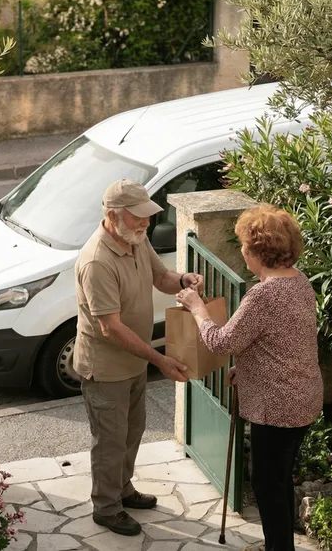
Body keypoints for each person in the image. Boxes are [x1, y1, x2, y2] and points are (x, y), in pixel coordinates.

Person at [176, 203, 323, 551]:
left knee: (266, 486)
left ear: (259, 250)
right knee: (279, 478)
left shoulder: (262, 294)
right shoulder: (299, 282)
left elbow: (221, 341)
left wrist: (197, 308)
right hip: (302, 398)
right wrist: (248, 367)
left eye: (244, 244)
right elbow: (283, 340)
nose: (241, 250)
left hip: (276, 409)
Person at [74, 178, 201, 536]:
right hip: (106, 368)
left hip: (133, 362)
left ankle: (123, 490)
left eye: (147, 216)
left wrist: (183, 280)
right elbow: (110, 328)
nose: (145, 223)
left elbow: (160, 276)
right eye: (137, 218)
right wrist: (159, 360)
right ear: (113, 216)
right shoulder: (97, 261)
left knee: (132, 433)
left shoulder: (136, 239)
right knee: (111, 442)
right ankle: (107, 507)